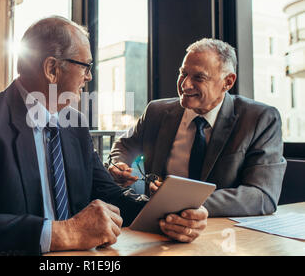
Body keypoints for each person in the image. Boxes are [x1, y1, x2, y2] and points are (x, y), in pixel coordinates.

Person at [0, 16, 208, 256]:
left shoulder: (75, 125)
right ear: (52, 69)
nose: (89, 77)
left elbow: (108, 194)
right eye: (85, 66)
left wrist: (168, 218)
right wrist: (62, 233)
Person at [109, 38, 286, 217]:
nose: (185, 84)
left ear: (228, 82)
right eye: (183, 73)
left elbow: (262, 195)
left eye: (199, 77)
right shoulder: (157, 111)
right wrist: (119, 165)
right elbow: (124, 145)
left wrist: (183, 201)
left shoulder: (260, 119)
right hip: (157, 225)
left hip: (223, 232)